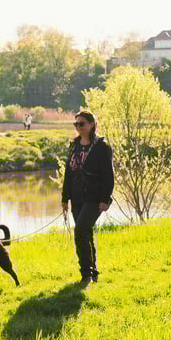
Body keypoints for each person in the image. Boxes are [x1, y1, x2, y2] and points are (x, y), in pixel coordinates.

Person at [60, 110, 114, 286]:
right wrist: (64, 198)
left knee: (80, 231)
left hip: (94, 197)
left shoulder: (101, 147)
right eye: (76, 124)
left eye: (81, 124)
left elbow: (108, 175)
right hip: (76, 197)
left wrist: (105, 199)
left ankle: (85, 274)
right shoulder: (74, 145)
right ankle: (93, 270)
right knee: (86, 233)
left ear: (92, 124)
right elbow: (68, 173)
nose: (78, 127)